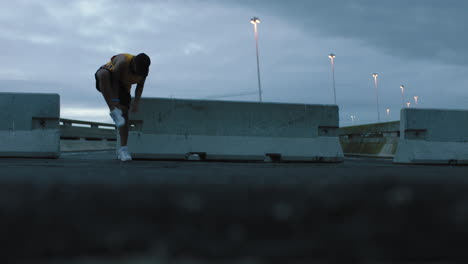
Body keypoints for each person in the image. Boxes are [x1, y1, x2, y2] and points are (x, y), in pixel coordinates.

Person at [95, 53, 151, 161]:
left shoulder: (144, 72)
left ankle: (124, 149)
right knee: (103, 74)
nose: (138, 73)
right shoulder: (123, 62)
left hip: (124, 87)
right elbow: (115, 81)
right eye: (137, 70)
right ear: (134, 63)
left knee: (124, 113)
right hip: (110, 77)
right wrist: (115, 101)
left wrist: (136, 103)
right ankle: (113, 111)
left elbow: (140, 87)